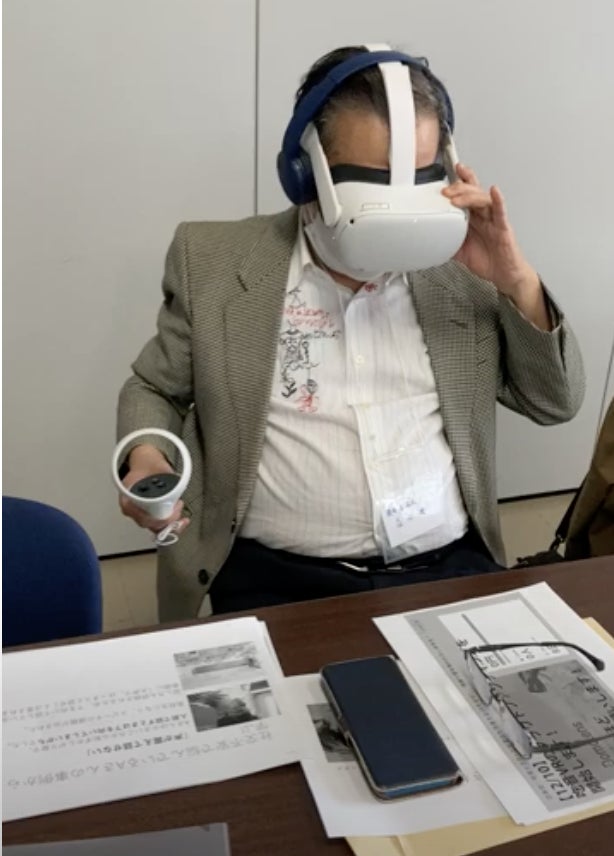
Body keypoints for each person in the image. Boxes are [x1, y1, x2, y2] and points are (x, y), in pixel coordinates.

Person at [116, 45, 585, 621]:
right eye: (371, 182)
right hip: (274, 579)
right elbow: (154, 388)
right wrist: (147, 455)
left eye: (418, 177)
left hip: (448, 567)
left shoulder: (465, 266)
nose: (394, 206)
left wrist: (516, 281)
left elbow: (555, 403)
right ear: (302, 171)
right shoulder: (215, 260)